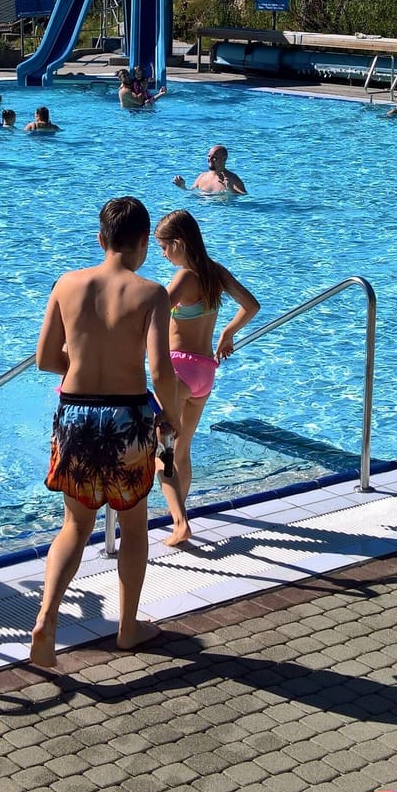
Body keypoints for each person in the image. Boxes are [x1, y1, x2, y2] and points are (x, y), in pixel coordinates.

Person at [29, 197, 182, 668]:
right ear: (142, 242)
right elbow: (159, 368)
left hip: (74, 412)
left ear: (100, 240)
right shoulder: (152, 292)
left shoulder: (67, 284)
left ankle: (47, 616)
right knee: (134, 525)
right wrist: (169, 416)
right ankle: (128, 628)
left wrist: (80, 369)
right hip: (127, 418)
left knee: (74, 525)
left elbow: (44, 360)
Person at [153, 209, 260, 547]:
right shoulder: (215, 273)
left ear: (179, 243)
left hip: (179, 371)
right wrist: (227, 332)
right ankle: (178, 516)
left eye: (164, 247)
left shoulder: (184, 277)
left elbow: (153, 316)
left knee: (162, 451)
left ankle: (180, 522)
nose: (162, 254)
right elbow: (251, 306)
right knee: (182, 450)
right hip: (203, 374)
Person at [174, 144, 246, 195]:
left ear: (224, 159)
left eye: (214, 158)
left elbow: (244, 196)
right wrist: (182, 187)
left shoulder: (232, 179)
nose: (210, 160)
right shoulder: (202, 176)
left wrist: (231, 190)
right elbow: (191, 192)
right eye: (209, 156)